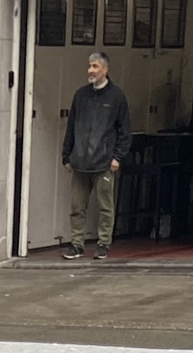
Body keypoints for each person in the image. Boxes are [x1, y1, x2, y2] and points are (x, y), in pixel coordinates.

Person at [60, 53, 131, 262]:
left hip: (104, 163)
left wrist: (118, 157)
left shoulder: (117, 97)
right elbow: (71, 126)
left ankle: (103, 244)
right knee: (77, 206)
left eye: (95, 66)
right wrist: (67, 155)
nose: (91, 70)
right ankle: (77, 244)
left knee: (105, 207)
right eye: (89, 66)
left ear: (105, 70)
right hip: (80, 161)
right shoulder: (80, 95)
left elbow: (124, 131)